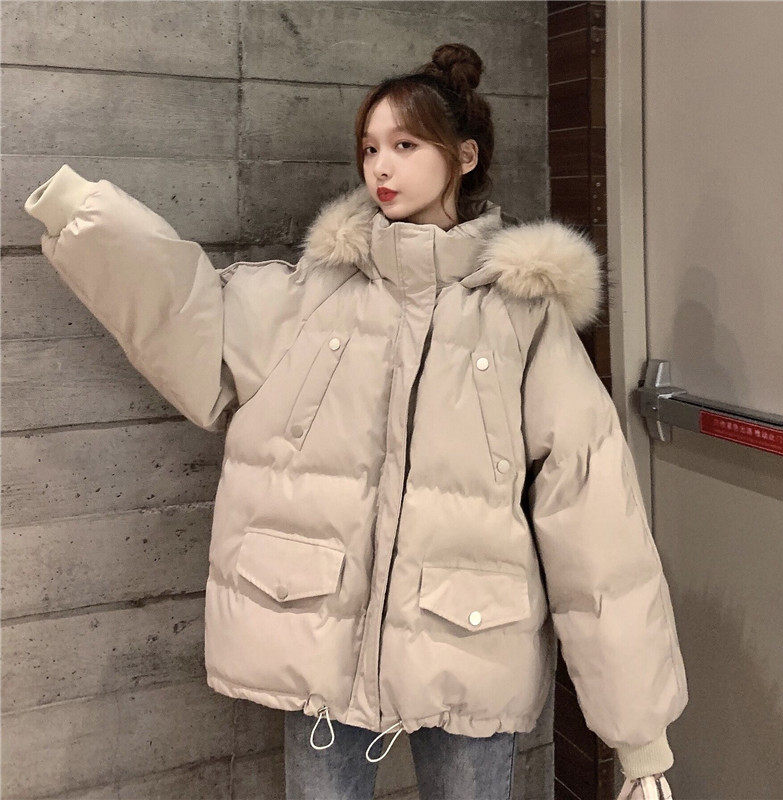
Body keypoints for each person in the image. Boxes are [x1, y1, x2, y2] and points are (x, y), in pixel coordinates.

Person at [23, 41, 684, 800]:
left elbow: (594, 517)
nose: (381, 167)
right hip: (321, 644)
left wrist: (639, 735)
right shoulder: (315, 295)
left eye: (405, 145)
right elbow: (189, 311)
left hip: (469, 645)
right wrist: (83, 217)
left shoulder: (522, 320)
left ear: (464, 156)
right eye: (370, 148)